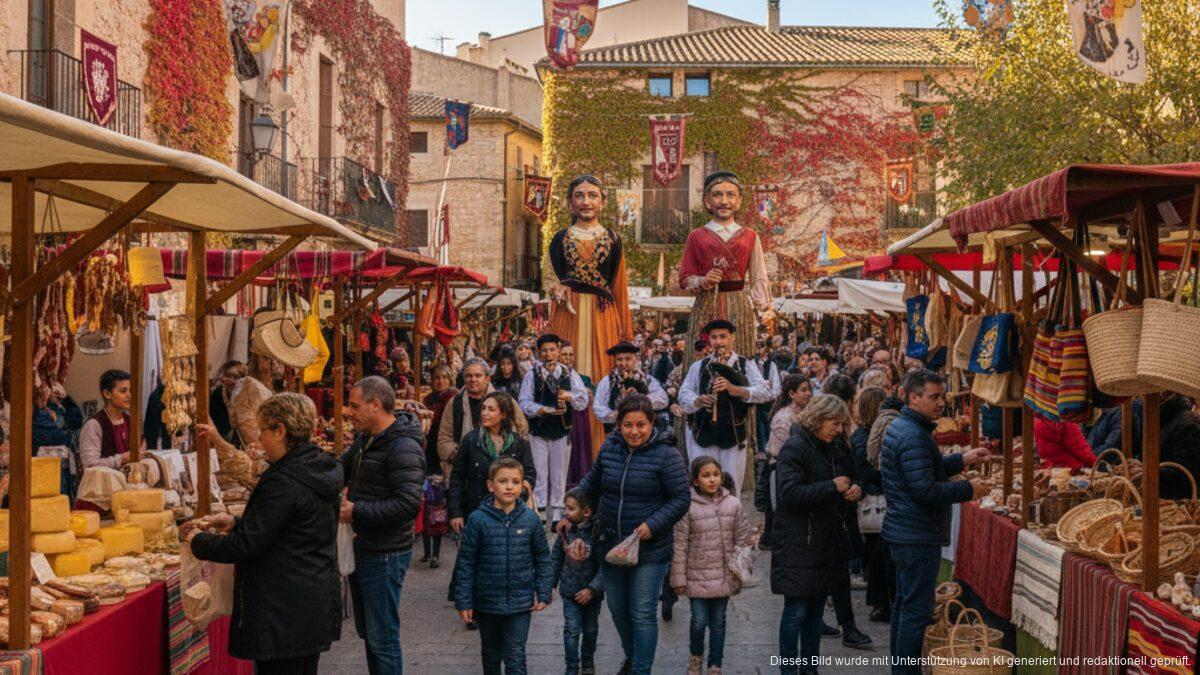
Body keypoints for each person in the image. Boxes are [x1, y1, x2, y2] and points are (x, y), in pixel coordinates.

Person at [189, 393, 342, 675]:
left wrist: (196, 542)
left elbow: (247, 545)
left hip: (283, 610)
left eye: (263, 431)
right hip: (309, 600)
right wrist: (237, 521)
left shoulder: (285, 480)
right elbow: (293, 527)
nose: (260, 440)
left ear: (281, 431)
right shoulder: (317, 467)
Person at [881, 369, 991, 675]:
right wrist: (969, 489)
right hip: (916, 534)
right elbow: (925, 490)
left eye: (941, 396)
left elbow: (923, 469)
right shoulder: (913, 434)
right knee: (915, 612)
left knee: (905, 606)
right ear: (913, 397)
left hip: (906, 531)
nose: (941, 402)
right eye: (934, 397)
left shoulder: (908, 427)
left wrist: (963, 459)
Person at [571, 395, 690, 675]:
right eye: (627, 425)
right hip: (610, 543)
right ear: (618, 425)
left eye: (640, 425)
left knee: (642, 613)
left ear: (652, 423)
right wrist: (572, 506)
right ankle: (633, 657)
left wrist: (653, 524)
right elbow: (592, 481)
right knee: (618, 610)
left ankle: (640, 669)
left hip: (650, 549)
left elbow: (681, 498)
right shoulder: (610, 447)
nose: (634, 431)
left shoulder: (667, 454)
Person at [342, 376, 425, 675]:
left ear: (376, 405)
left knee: (383, 636)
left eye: (354, 406)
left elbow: (408, 505)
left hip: (386, 552)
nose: (348, 412)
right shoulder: (366, 438)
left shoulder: (403, 447)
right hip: (365, 545)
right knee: (370, 634)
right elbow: (342, 467)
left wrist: (357, 511)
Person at [771, 395, 861, 674]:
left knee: (815, 613)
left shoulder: (834, 448)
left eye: (842, 424)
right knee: (797, 611)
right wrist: (831, 487)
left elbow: (851, 476)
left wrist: (856, 489)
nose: (839, 429)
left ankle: (810, 669)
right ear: (818, 419)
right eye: (835, 423)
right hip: (799, 542)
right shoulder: (795, 448)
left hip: (826, 542)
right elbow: (789, 494)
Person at [453, 457, 552, 675]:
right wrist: (464, 601)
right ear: (491, 485)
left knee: (516, 657)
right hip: (487, 603)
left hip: (520, 603)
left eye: (515, 482)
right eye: (503, 481)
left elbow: (543, 558)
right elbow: (466, 563)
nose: (509, 486)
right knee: (490, 656)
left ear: (522, 485)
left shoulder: (530, 519)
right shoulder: (478, 519)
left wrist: (543, 591)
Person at [544, 175, 634, 389]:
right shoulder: (559, 239)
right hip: (568, 313)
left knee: (602, 374)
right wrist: (556, 289)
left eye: (592, 196)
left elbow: (620, 289)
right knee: (564, 375)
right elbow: (549, 279)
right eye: (579, 196)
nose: (586, 202)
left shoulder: (613, 239)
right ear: (570, 203)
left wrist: (627, 337)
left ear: (602, 202)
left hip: (603, 317)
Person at [671, 456, 755, 675]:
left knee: (718, 621)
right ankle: (696, 658)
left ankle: (715, 664)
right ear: (695, 480)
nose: (712, 480)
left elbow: (742, 538)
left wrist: (741, 563)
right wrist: (678, 578)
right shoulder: (687, 507)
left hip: (724, 575)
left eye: (715, 475)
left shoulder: (733, 504)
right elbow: (679, 544)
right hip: (696, 575)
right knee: (699, 621)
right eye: (706, 476)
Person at [678, 171, 771, 360]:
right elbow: (685, 278)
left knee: (738, 356)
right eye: (717, 194)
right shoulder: (696, 236)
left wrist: (764, 307)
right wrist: (703, 280)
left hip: (739, 306)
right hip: (707, 304)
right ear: (707, 201)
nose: (724, 200)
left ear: (739, 201)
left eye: (730, 195)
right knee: (704, 357)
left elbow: (759, 276)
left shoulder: (751, 236)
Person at [679, 319, 772, 497]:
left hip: (733, 436)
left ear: (732, 339)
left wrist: (734, 389)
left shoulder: (745, 365)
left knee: (730, 483)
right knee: (702, 483)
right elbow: (684, 394)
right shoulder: (699, 366)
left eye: (723, 337)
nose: (719, 342)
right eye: (714, 338)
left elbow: (764, 393)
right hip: (704, 434)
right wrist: (697, 401)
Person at [519, 333, 589, 523]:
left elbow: (583, 400)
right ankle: (539, 512)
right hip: (538, 431)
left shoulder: (569, 373)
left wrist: (569, 396)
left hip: (561, 431)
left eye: (552, 350)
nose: (548, 354)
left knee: (559, 474)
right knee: (540, 473)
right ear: (539, 353)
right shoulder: (532, 375)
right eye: (544, 351)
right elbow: (523, 402)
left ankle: (558, 514)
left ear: (558, 350)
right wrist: (541, 409)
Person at [449, 393, 536, 531]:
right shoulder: (471, 440)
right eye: (483, 408)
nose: (484, 413)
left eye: (491, 409)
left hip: (511, 515)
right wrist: (456, 513)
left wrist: (520, 491)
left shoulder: (519, 443)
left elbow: (530, 473)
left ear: (503, 414)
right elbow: (456, 477)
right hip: (476, 512)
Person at [851, 386, 893, 623]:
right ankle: (881, 602)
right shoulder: (866, 437)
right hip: (877, 501)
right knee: (879, 556)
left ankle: (879, 601)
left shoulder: (860, 435)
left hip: (872, 499)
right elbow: (869, 471)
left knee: (876, 555)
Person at [551, 488, 604, 675]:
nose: (565, 512)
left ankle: (587, 661)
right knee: (571, 630)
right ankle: (572, 666)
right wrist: (551, 584)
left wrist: (592, 589)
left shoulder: (598, 533)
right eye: (565, 508)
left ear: (586, 511)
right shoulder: (565, 530)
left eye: (570, 509)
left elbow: (605, 566)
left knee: (590, 630)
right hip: (570, 591)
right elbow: (556, 558)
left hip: (592, 595)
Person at [760, 375, 813, 549]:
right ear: (792, 393)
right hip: (780, 469)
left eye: (809, 389)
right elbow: (783, 451)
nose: (808, 394)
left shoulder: (802, 413)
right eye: (804, 390)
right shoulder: (784, 418)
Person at [421, 365, 456, 567]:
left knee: (438, 504)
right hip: (428, 457)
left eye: (444, 377)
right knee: (428, 504)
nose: (440, 381)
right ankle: (427, 551)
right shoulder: (427, 401)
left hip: (443, 457)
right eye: (437, 378)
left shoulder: (452, 399)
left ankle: (436, 551)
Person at [593, 341, 669, 434]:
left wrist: (638, 400)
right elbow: (598, 407)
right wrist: (614, 415)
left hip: (644, 433)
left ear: (635, 359)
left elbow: (663, 399)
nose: (623, 363)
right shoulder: (608, 381)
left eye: (627, 359)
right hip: (617, 433)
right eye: (619, 359)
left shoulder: (646, 379)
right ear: (615, 361)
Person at [437, 359, 494, 479]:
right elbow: (444, 440)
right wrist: (461, 455)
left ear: (487, 378)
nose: (473, 380)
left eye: (478, 375)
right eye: (469, 376)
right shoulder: (454, 403)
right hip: (462, 473)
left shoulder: (502, 401)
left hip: (495, 472)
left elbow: (518, 433)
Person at [79, 369, 135, 469]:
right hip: (104, 483)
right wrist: (121, 459)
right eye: (123, 391)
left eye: (130, 390)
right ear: (107, 394)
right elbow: (90, 465)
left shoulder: (131, 421)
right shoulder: (94, 425)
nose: (129, 396)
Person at [233, 355, 274, 447]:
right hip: (254, 436)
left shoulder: (250, 383)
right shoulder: (253, 384)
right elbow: (264, 413)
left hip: (252, 434)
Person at [210, 360, 244, 441]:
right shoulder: (218, 394)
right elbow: (215, 423)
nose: (231, 381)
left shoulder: (246, 394)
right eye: (228, 376)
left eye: (236, 377)